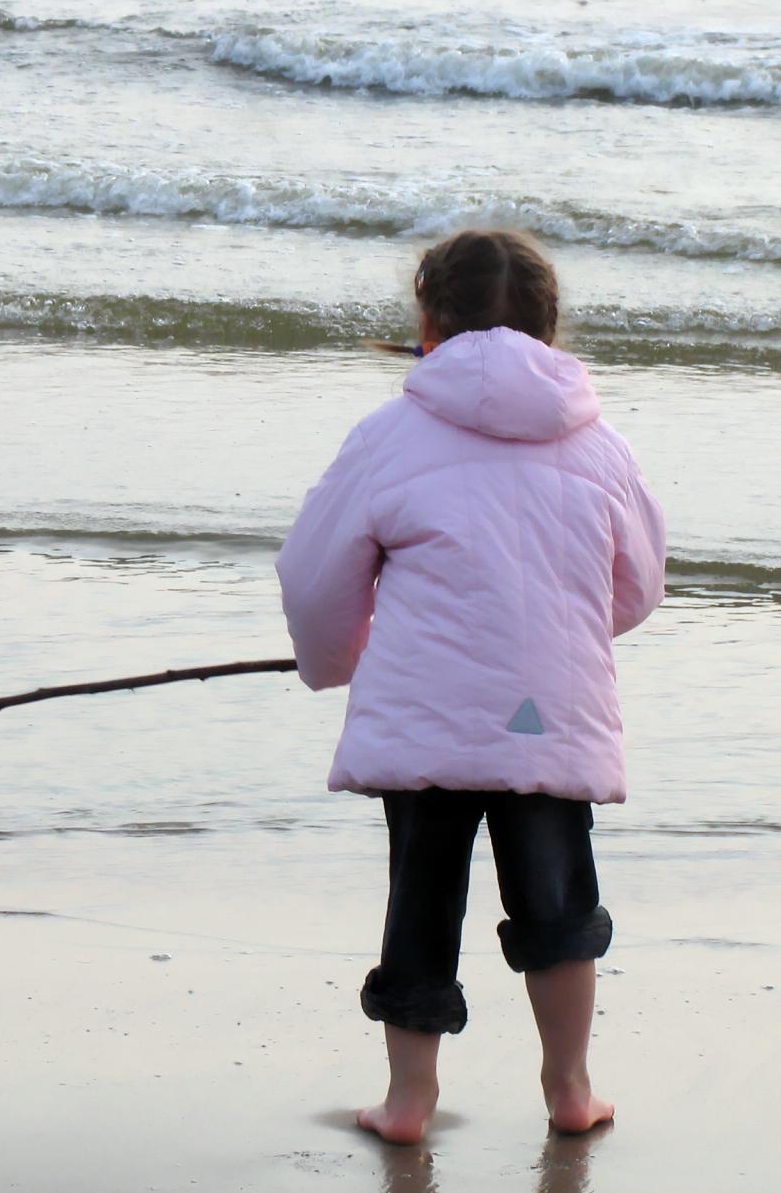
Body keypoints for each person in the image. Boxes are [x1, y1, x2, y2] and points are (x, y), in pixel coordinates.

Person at [276, 231, 664, 1144]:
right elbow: (638, 583)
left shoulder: (387, 436)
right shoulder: (601, 444)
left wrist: (339, 660)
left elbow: (314, 578)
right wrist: (551, 635)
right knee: (558, 902)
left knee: (422, 896)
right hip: (551, 712)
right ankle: (570, 1089)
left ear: (428, 320)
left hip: (425, 713)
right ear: (550, 326)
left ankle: (409, 1102)